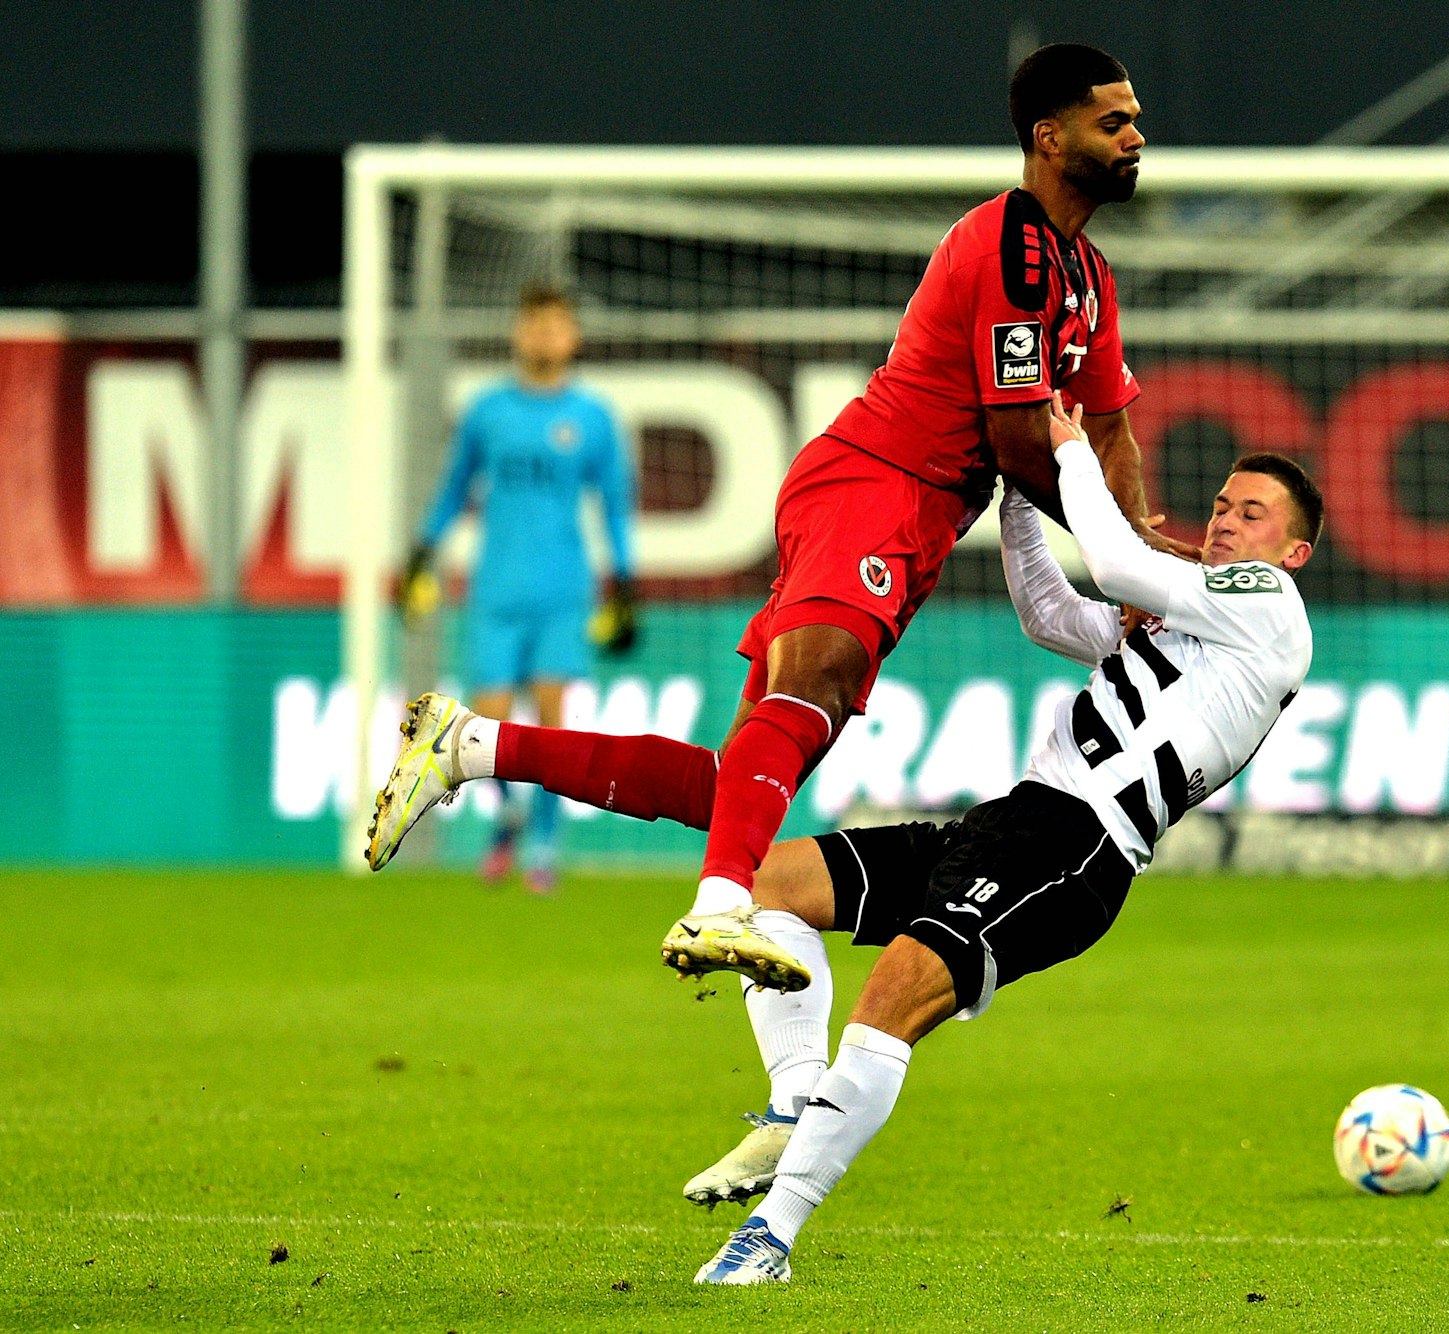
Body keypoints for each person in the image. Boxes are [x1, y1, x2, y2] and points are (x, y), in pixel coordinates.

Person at [368, 45, 1178, 959]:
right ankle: (719, 908)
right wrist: (1134, 569)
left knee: (738, 784)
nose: (1137, 136)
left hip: (920, 516)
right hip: (876, 480)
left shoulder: (1089, 277)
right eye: (1114, 121)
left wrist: (1144, 555)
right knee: (815, 688)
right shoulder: (1009, 247)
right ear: (1049, 135)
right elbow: (1019, 440)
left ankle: (469, 745)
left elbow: (1107, 434)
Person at [669, 401, 1319, 1283]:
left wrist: (1069, 455)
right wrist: (1020, 501)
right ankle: (794, 1102)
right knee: (769, 885)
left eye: (1251, 515)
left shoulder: (1269, 607)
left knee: (893, 993)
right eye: (1218, 507)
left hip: (1078, 849)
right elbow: (1051, 615)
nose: (1223, 522)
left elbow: (1120, 557)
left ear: (1293, 553)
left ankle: (769, 1238)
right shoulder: (1185, 623)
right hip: (1012, 822)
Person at [396, 282, 637, 895]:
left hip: (562, 591)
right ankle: (509, 813)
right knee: (491, 722)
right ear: (517, 333)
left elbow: (613, 504)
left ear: (573, 337)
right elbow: (455, 489)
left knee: (555, 727)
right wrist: (423, 551)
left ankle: (546, 846)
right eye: (534, 324)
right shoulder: (487, 412)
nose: (544, 336)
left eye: (556, 326)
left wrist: (625, 582)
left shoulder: (590, 418)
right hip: (496, 591)